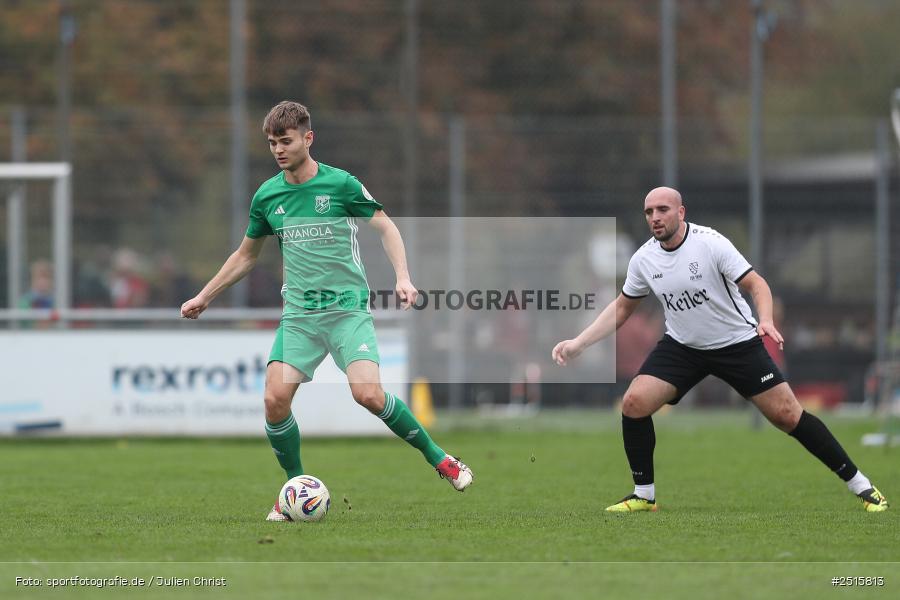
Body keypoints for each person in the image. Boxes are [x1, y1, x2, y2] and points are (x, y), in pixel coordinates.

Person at [181, 101, 473, 521]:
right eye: (272, 143)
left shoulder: (341, 184)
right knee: (274, 400)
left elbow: (386, 227)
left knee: (368, 394)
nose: (278, 150)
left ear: (308, 138)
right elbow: (246, 255)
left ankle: (442, 460)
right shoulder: (268, 196)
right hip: (300, 317)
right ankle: (294, 491)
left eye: (285, 141)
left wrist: (403, 277)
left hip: (346, 312)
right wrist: (205, 296)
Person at [551, 187, 888, 513]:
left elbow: (756, 284)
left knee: (787, 415)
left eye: (663, 210)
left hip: (736, 343)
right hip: (683, 346)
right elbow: (623, 307)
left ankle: (862, 485)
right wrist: (579, 343)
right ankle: (643, 496)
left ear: (681, 212)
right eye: (649, 212)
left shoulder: (710, 244)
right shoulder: (643, 259)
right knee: (634, 403)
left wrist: (765, 320)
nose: (655, 217)